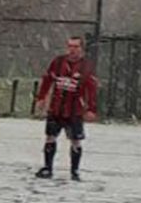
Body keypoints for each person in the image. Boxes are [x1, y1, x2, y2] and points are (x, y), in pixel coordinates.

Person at [33, 36, 98, 181]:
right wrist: (42, 98)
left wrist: (92, 108)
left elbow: (91, 88)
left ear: (81, 49)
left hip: (75, 110)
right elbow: (47, 79)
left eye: (76, 47)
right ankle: (47, 168)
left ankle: (74, 171)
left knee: (75, 140)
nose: (72, 50)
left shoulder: (86, 66)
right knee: (50, 137)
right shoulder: (58, 62)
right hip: (56, 108)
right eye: (70, 46)